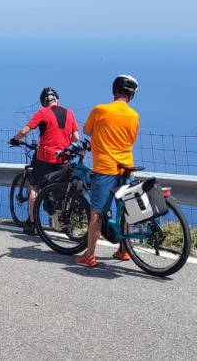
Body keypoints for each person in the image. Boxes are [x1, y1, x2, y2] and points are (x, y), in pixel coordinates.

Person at [75, 75, 140, 268]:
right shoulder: (134, 116)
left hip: (105, 168)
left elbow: (86, 130)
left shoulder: (100, 110)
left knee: (97, 213)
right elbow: (131, 140)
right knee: (127, 210)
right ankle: (124, 250)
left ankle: (90, 256)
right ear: (131, 95)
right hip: (127, 167)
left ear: (114, 91)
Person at [10, 87, 80, 235]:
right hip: (64, 157)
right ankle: (65, 221)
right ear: (57, 99)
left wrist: (15, 140)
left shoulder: (42, 112)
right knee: (63, 189)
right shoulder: (70, 113)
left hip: (45, 157)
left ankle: (33, 223)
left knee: (34, 187)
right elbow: (76, 138)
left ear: (44, 101)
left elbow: (24, 131)